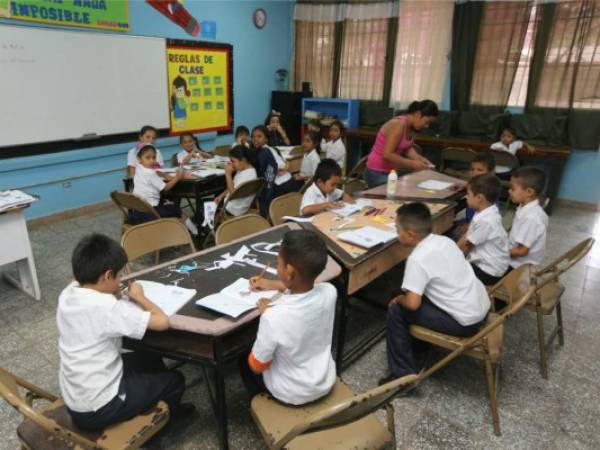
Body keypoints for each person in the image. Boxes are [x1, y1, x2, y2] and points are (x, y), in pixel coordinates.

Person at [57, 234, 191, 431]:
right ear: (107, 276)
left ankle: (147, 395)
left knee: (149, 358)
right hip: (99, 407)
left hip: (78, 392)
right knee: (176, 379)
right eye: (119, 276)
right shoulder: (107, 307)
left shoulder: (69, 292)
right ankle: (163, 428)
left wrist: (110, 291)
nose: (121, 280)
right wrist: (139, 297)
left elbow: (96, 299)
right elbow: (162, 322)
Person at [383, 203, 490, 381]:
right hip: (480, 309)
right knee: (409, 292)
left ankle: (402, 377)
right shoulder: (444, 241)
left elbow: (412, 303)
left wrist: (398, 299)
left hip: (464, 323)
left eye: (397, 229)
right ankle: (419, 345)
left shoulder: (417, 259)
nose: (396, 232)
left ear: (410, 234)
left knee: (397, 309)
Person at [240, 230, 337, 405]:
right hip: (324, 381)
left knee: (243, 359)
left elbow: (257, 366)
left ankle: (265, 406)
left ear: (289, 271)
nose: (276, 268)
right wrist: (270, 284)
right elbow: (307, 287)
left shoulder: (273, 317)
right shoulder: (330, 291)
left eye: (278, 263)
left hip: (291, 393)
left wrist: (267, 314)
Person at [364, 100, 437, 187]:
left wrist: (419, 159)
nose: (427, 126)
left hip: (391, 171)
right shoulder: (398, 124)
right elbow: (387, 154)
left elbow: (406, 147)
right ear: (418, 114)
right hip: (377, 172)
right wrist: (412, 164)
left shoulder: (413, 128)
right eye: (426, 122)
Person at [131, 145, 198, 235]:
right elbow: (165, 188)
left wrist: (166, 176)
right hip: (152, 211)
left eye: (154, 157)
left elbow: (156, 171)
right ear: (140, 159)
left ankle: (180, 229)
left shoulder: (139, 167)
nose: (152, 160)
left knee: (168, 201)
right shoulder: (150, 174)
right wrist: (177, 178)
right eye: (148, 158)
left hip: (139, 208)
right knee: (177, 209)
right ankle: (196, 233)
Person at [458, 174, 510, 286]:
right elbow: (467, 235)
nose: (466, 197)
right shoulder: (487, 210)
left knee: (452, 273)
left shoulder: (486, 221)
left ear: (479, 198)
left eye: (468, 194)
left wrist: (452, 257)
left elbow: (466, 246)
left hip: (489, 271)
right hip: (493, 264)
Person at [252, 125, 298, 216]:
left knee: (261, 194)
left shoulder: (264, 151)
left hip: (280, 186)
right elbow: (285, 163)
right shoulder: (272, 149)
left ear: (266, 139)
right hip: (290, 182)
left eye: (259, 136)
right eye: (253, 137)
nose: (255, 139)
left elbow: (261, 171)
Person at [508, 167, 548, 270]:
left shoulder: (532, 218)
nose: (509, 191)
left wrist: (498, 252)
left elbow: (521, 251)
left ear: (529, 192)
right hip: (513, 258)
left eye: (513, 189)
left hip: (517, 267)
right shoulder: (525, 207)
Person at [453, 151, 497, 239]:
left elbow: (485, 217)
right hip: (469, 220)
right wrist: (465, 185)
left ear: (491, 173)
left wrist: (469, 225)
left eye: (479, 170)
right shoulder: (476, 184)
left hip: (477, 224)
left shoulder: (489, 191)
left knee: (452, 234)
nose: (474, 173)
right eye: (472, 169)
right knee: (450, 225)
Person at [213, 145, 258, 216]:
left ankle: (210, 226)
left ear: (243, 160)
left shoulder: (248, 175)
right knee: (216, 196)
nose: (232, 164)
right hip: (240, 207)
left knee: (204, 204)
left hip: (233, 209)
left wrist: (228, 174)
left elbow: (233, 194)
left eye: (233, 161)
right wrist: (221, 196)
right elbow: (233, 185)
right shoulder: (245, 169)